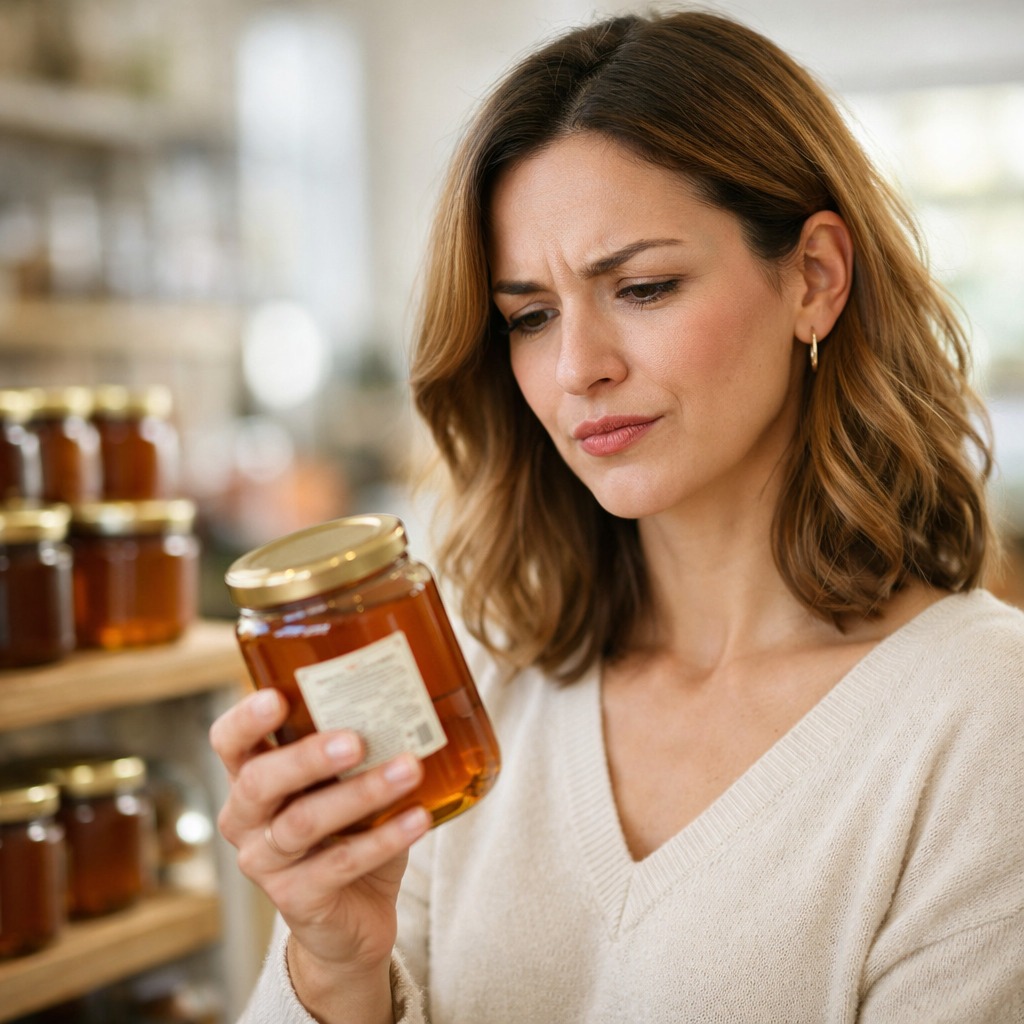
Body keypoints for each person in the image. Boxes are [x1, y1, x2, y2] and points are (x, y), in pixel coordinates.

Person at [210, 10, 1024, 1023]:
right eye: (530, 316)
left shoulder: (984, 719)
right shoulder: (478, 693)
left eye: (641, 287)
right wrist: (333, 968)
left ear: (814, 278)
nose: (574, 368)